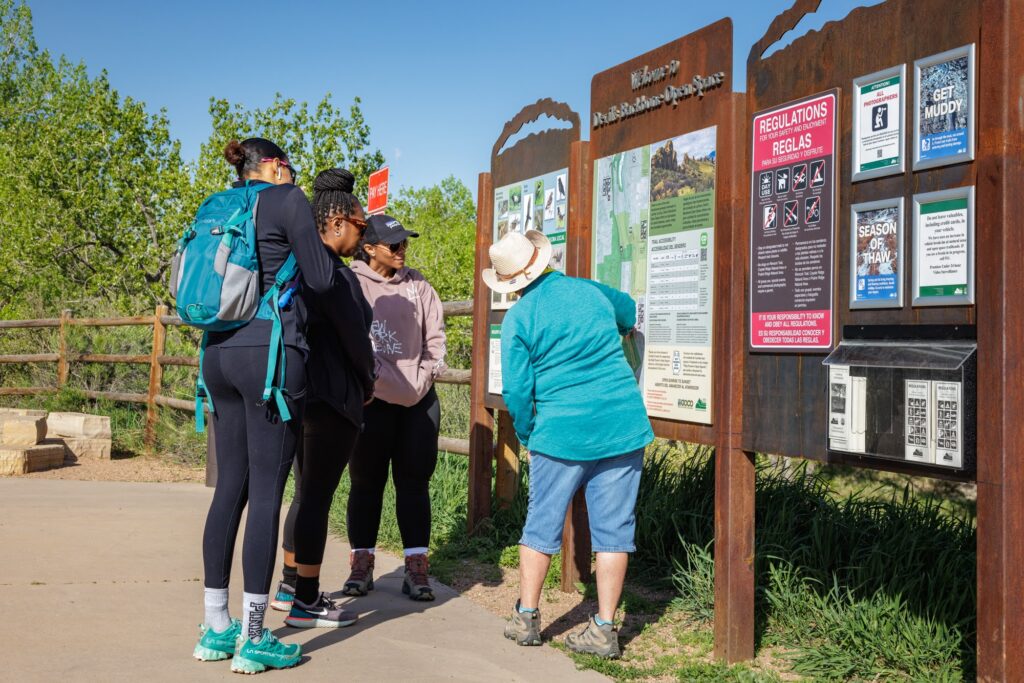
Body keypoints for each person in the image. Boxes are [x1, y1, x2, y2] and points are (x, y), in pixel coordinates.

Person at [192, 138, 339, 674]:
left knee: (231, 485)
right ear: (275, 167)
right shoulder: (287, 198)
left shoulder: (221, 204)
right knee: (268, 490)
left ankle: (216, 628)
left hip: (217, 354)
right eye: (289, 167)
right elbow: (322, 278)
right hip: (269, 353)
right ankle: (255, 637)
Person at [483, 230, 654, 659]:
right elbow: (630, 313)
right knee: (614, 532)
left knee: (540, 526)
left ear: (512, 281)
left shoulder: (519, 320)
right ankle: (604, 627)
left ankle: (526, 617)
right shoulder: (589, 291)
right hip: (621, 424)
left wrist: (528, 435)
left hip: (559, 434)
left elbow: (518, 393)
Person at [266, 168, 376, 629]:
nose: (363, 233)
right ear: (335, 223)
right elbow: (355, 339)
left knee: (303, 494)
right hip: (333, 400)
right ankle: (307, 600)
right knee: (316, 498)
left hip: (298, 393)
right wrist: (368, 382)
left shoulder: (297, 267)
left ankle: (290, 585)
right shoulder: (333, 274)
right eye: (360, 225)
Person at [343, 214, 447, 601]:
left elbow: (435, 339)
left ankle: (416, 567)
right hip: (371, 400)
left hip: (419, 402)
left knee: (415, 485)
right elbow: (350, 340)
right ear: (369, 248)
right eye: (394, 244)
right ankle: (361, 562)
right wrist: (373, 379)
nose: (403, 250)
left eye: (405, 243)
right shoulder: (352, 283)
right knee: (366, 484)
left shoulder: (419, 285)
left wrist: (423, 378)